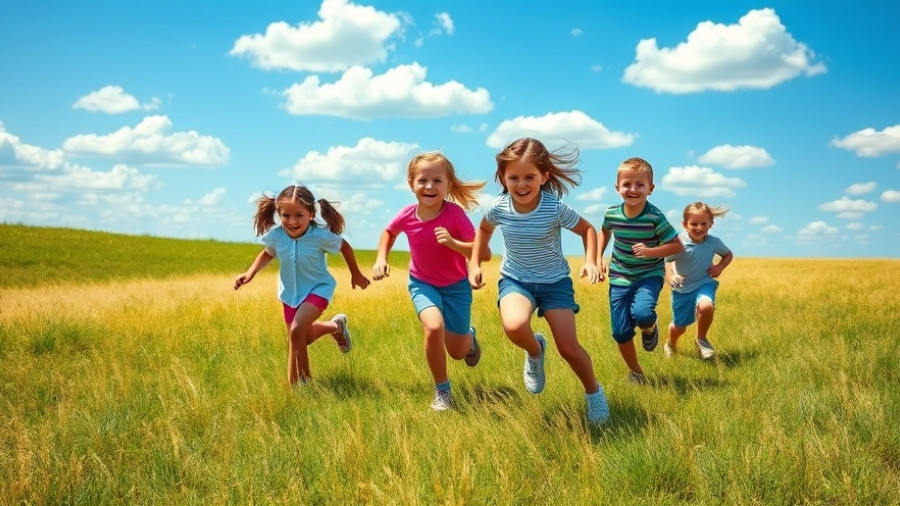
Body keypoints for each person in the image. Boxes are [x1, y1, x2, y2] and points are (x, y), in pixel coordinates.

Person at [468, 137, 610, 425]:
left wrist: (592, 261)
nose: (521, 185)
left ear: (544, 176)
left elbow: (587, 230)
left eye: (529, 177)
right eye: (513, 178)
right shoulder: (499, 207)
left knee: (569, 348)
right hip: (516, 280)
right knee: (514, 326)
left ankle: (594, 392)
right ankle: (535, 351)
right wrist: (473, 263)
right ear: (503, 178)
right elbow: (483, 229)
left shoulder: (553, 207)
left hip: (555, 283)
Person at [373, 151, 488, 411]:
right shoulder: (407, 215)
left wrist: (454, 243)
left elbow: (483, 252)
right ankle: (443, 392)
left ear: (448, 185)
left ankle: (469, 338)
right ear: (411, 183)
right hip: (422, 283)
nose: (430, 186)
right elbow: (389, 232)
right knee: (434, 328)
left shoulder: (455, 215)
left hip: (457, 287)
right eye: (423, 180)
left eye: (438, 181)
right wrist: (381, 258)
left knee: (458, 352)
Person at [234, 185, 370, 385]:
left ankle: (303, 384)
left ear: (311, 214)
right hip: (290, 295)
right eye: (286, 216)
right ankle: (336, 326)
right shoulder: (277, 236)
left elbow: (344, 246)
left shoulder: (319, 236)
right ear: (279, 215)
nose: (292, 221)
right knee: (301, 338)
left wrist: (356, 274)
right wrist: (250, 272)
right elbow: (267, 253)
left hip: (318, 290)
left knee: (297, 330)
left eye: (299, 215)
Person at [598, 157, 683, 384]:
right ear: (617, 188)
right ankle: (636, 372)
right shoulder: (612, 213)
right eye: (626, 184)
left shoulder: (655, 217)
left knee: (643, 313)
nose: (632, 190)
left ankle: (649, 327)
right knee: (620, 332)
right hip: (619, 276)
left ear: (650, 189)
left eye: (640, 185)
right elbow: (604, 232)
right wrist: (598, 258)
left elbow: (676, 245)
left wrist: (650, 252)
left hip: (649, 275)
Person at [664, 202, 733, 359]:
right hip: (682, 290)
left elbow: (728, 255)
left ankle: (702, 340)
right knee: (679, 328)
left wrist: (719, 267)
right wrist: (671, 276)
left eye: (704, 223)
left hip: (704, 283)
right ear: (685, 224)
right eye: (694, 223)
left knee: (706, 306)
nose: (699, 228)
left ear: (710, 224)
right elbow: (667, 261)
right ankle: (671, 343)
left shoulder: (713, 242)